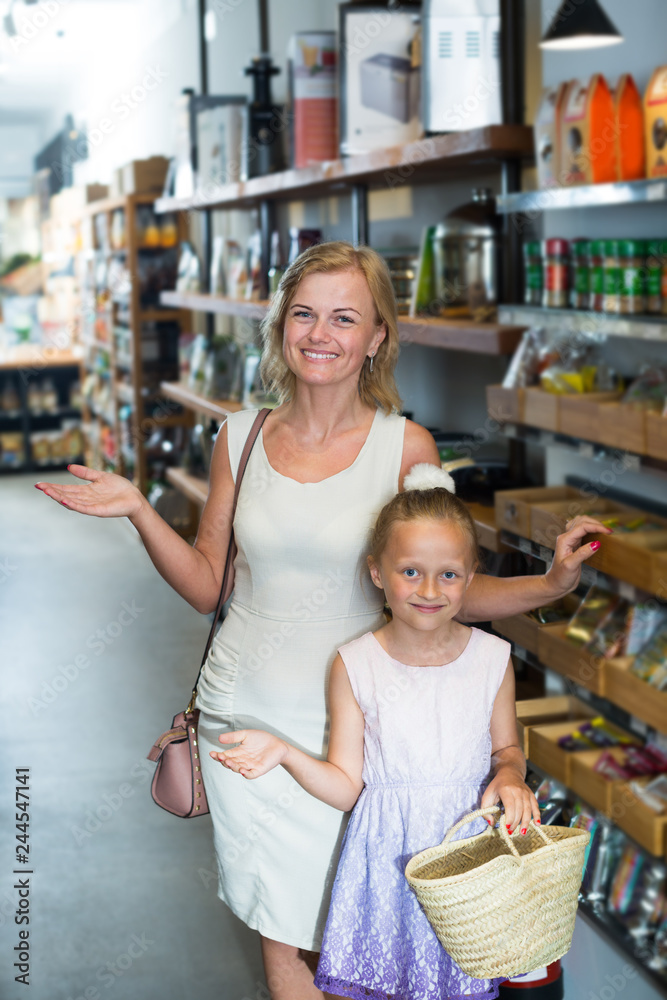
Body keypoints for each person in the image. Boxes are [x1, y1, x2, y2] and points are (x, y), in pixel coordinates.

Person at [34, 241, 608, 1000]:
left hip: (366, 733)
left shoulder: (405, 447)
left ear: (375, 337)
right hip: (249, 723)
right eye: (302, 313)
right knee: (285, 943)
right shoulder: (239, 437)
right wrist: (141, 510)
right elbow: (209, 586)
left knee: (368, 935)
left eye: (344, 317)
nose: (319, 333)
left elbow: (444, 596)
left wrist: (551, 581)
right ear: (279, 326)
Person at [209, 467, 540, 1000]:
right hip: (381, 870)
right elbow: (346, 785)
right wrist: (285, 753)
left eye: (449, 575)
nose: (429, 590)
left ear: (471, 576)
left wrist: (510, 775)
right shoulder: (355, 664)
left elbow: (507, 750)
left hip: (466, 867)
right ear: (377, 573)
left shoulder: (492, 660)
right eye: (410, 571)